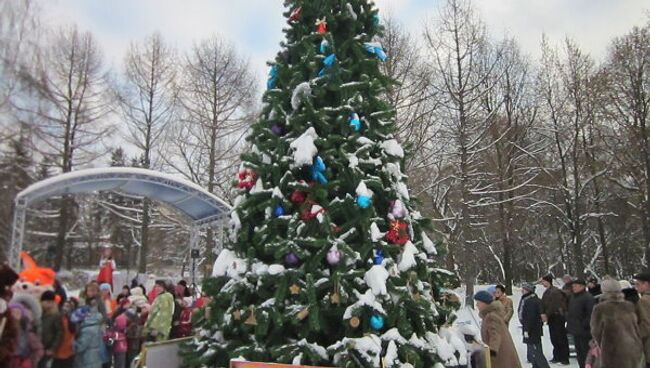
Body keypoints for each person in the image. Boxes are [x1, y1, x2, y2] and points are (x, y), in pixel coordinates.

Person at [590, 278, 644, 368]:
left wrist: (600, 345)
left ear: (603, 290)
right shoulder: (629, 305)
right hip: (633, 347)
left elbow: (596, 331)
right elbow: (637, 326)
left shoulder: (600, 308)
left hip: (612, 349)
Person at [473, 290, 521, 368]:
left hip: (500, 356)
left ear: (485, 303)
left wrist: (492, 351)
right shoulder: (491, 314)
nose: (477, 305)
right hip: (502, 353)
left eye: (478, 302)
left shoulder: (491, 316)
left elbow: (495, 334)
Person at [540, 274, 570, 365]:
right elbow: (544, 303)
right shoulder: (548, 291)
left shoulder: (555, 292)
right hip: (552, 317)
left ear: (548, 281)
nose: (542, 283)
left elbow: (554, 305)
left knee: (560, 337)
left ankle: (564, 358)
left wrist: (546, 314)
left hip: (557, 316)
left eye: (544, 281)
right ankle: (557, 356)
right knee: (554, 338)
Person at [518, 283, 549, 368]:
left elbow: (530, 317)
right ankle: (536, 366)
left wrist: (527, 329)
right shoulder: (528, 299)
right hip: (533, 328)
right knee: (534, 350)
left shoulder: (531, 301)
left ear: (528, 290)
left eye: (523, 289)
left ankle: (543, 366)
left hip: (532, 329)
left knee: (536, 350)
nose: (522, 291)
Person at [567, 278, 595, 368]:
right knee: (579, 354)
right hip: (575, 330)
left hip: (584, 331)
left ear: (582, 286)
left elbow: (590, 314)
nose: (573, 288)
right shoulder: (573, 297)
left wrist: (584, 325)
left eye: (575, 286)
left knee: (586, 354)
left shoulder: (588, 298)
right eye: (573, 286)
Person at [9, 301, 44, 368]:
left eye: (18, 312)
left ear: (22, 316)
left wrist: (31, 360)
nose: (14, 315)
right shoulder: (5, 329)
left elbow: (39, 349)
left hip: (21, 363)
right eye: (12, 312)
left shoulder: (27, 332)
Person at [73, 301, 103, 368]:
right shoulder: (95, 325)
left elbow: (79, 347)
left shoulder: (87, 330)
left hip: (86, 362)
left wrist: (71, 341)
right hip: (94, 360)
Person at [39, 290, 63, 368]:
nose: (49, 304)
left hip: (46, 347)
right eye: (47, 301)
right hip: (36, 346)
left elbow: (59, 333)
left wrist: (52, 348)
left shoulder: (55, 315)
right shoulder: (38, 312)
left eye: (51, 302)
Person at [52, 298, 77, 368]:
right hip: (58, 352)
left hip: (67, 352)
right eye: (65, 306)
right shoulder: (59, 318)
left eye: (68, 306)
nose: (65, 308)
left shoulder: (73, 320)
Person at [633, 271, 650, 368]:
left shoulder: (644, 300)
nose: (636, 287)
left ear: (646, 284)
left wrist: (635, 336)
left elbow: (646, 325)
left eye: (638, 284)